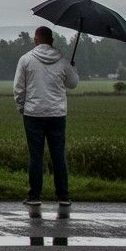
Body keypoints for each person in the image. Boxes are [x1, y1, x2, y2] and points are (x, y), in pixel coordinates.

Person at [14, 26, 79, 206]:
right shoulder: (63, 61)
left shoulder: (26, 60)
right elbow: (73, 84)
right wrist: (73, 69)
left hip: (33, 113)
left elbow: (19, 88)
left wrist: (22, 107)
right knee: (58, 155)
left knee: (36, 156)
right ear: (52, 40)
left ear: (36, 39)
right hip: (57, 114)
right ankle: (63, 196)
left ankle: (34, 196)